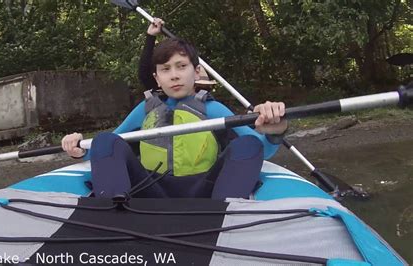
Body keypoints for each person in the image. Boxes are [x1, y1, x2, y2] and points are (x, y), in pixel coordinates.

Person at [62, 37, 287, 200]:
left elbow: (260, 150)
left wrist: (275, 130)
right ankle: (112, 210)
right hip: (150, 190)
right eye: (166, 69)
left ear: (196, 71)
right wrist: (79, 148)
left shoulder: (212, 108)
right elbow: (107, 146)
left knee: (245, 143)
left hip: (204, 192)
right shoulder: (145, 109)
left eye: (181, 66)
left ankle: (226, 212)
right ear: (157, 78)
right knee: (104, 139)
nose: (175, 75)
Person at [138, 18, 217, 93]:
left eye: (200, 87)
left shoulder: (211, 106)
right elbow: (144, 74)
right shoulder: (163, 100)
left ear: (196, 73)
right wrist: (150, 37)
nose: (174, 76)